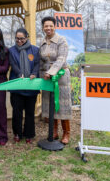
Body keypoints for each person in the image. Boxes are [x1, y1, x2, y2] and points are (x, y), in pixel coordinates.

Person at [39, 16, 72, 144]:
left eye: (50, 25)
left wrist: (51, 72)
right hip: (47, 78)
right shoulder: (42, 42)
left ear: (54, 26)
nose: (48, 28)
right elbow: (41, 61)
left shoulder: (61, 41)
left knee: (62, 104)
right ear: (43, 28)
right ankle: (54, 131)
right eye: (46, 26)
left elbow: (61, 58)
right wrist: (42, 75)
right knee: (50, 105)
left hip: (60, 77)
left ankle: (66, 133)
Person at [8, 28, 40, 143]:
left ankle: (29, 134)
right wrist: (19, 73)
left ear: (27, 38)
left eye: (21, 38)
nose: (19, 41)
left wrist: (34, 73)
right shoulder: (11, 50)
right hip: (17, 86)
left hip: (31, 86)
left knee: (30, 112)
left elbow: (37, 64)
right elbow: (13, 64)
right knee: (17, 112)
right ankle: (17, 133)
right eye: (17, 38)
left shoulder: (35, 50)